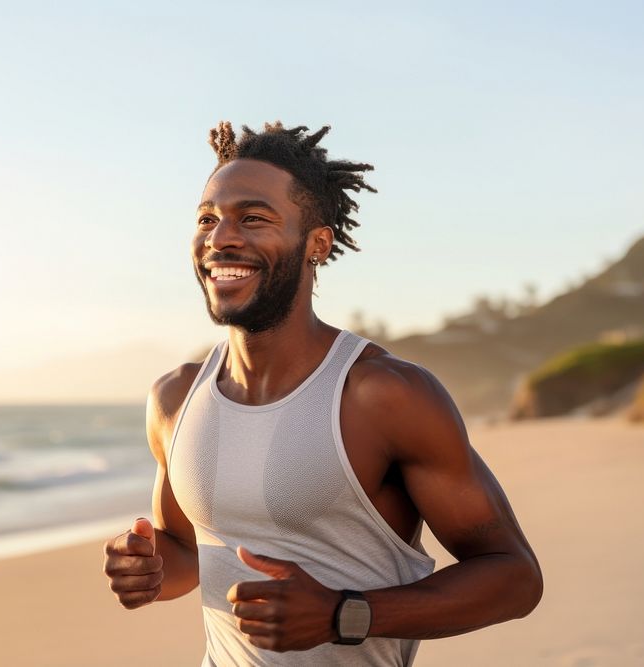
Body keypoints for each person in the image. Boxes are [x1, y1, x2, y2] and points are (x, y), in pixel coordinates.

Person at [103, 121, 542, 665]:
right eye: (207, 219)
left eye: (253, 218)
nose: (221, 238)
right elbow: (188, 554)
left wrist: (343, 614)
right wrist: (149, 570)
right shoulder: (174, 399)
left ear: (317, 243)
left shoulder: (382, 395)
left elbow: (515, 578)